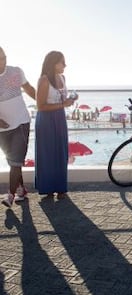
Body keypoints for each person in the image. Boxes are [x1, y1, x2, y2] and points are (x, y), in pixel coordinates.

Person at [35, 51, 77, 199]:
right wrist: (63, 104)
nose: (65, 65)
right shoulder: (44, 80)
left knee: (61, 152)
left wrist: (70, 100)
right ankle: (47, 188)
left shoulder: (63, 78)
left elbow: (62, 100)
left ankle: (60, 188)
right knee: (48, 153)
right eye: (62, 62)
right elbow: (40, 106)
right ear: (53, 63)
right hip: (46, 119)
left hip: (59, 118)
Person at [0, 46, 36, 207]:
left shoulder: (16, 71)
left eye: (4, 57)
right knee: (13, 161)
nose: (3, 61)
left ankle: (10, 195)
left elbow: (29, 89)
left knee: (15, 161)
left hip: (21, 122)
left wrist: (42, 104)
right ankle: (21, 189)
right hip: (2, 128)